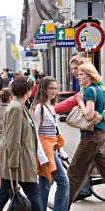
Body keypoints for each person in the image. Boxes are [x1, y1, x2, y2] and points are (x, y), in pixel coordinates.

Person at [0, 77, 43, 211]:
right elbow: (13, 138)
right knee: (33, 194)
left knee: (3, 194)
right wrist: (13, 164)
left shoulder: (19, 106)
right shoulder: (16, 108)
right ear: (28, 91)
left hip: (18, 162)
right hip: (18, 163)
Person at [67, 63, 105, 208]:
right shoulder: (99, 90)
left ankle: (63, 206)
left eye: (82, 74)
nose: (78, 76)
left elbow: (89, 116)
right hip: (99, 135)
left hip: (90, 137)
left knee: (74, 172)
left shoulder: (89, 91)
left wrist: (80, 102)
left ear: (89, 75)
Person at [30, 76, 69, 211]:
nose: (54, 91)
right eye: (51, 88)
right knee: (63, 181)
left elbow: (55, 131)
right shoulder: (38, 108)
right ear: (44, 89)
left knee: (45, 184)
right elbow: (34, 133)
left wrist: (61, 151)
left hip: (52, 148)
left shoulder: (50, 107)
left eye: (55, 88)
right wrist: (41, 155)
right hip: (45, 149)